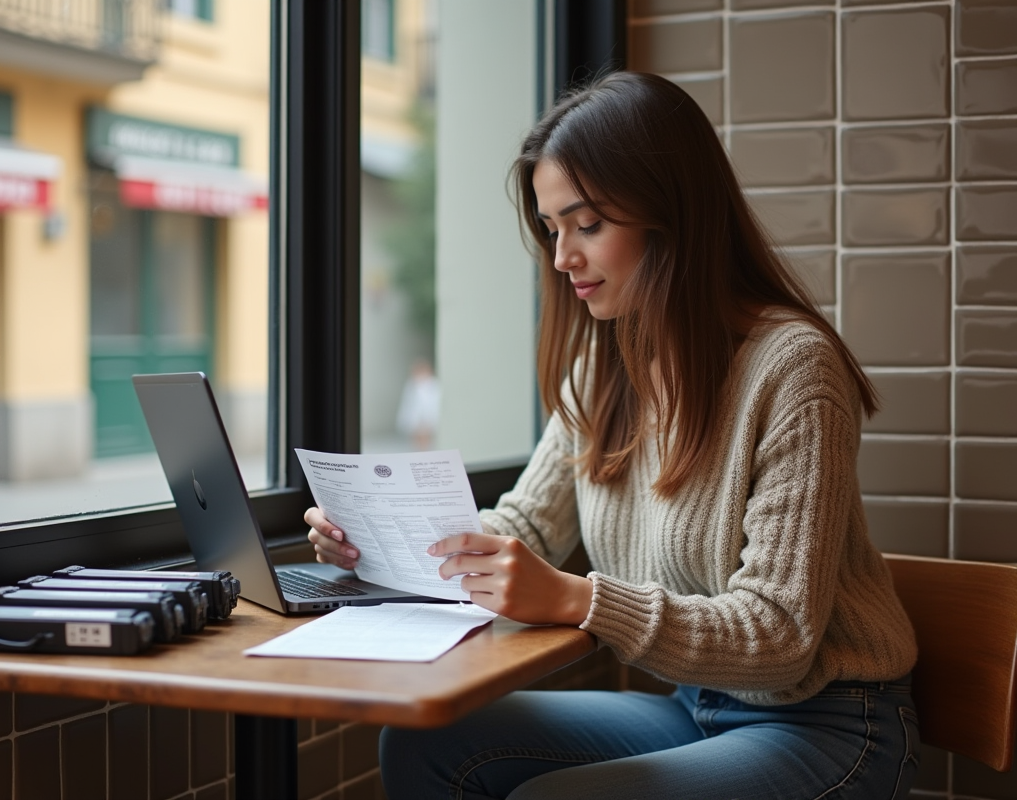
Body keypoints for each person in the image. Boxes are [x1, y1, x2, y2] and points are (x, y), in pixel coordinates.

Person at [305, 72, 919, 799]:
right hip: (696, 707)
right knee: (425, 741)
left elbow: (780, 636)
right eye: (552, 227)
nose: (563, 257)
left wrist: (577, 600)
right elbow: (526, 527)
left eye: (587, 224)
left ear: (673, 213)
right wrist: (382, 541)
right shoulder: (606, 369)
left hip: (833, 728)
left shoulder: (793, 368)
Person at [395, 356, 440, 450]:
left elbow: (432, 403)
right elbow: (408, 404)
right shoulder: (411, 384)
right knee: (415, 441)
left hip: (427, 418)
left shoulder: (433, 384)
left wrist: (428, 419)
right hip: (415, 419)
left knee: (426, 439)